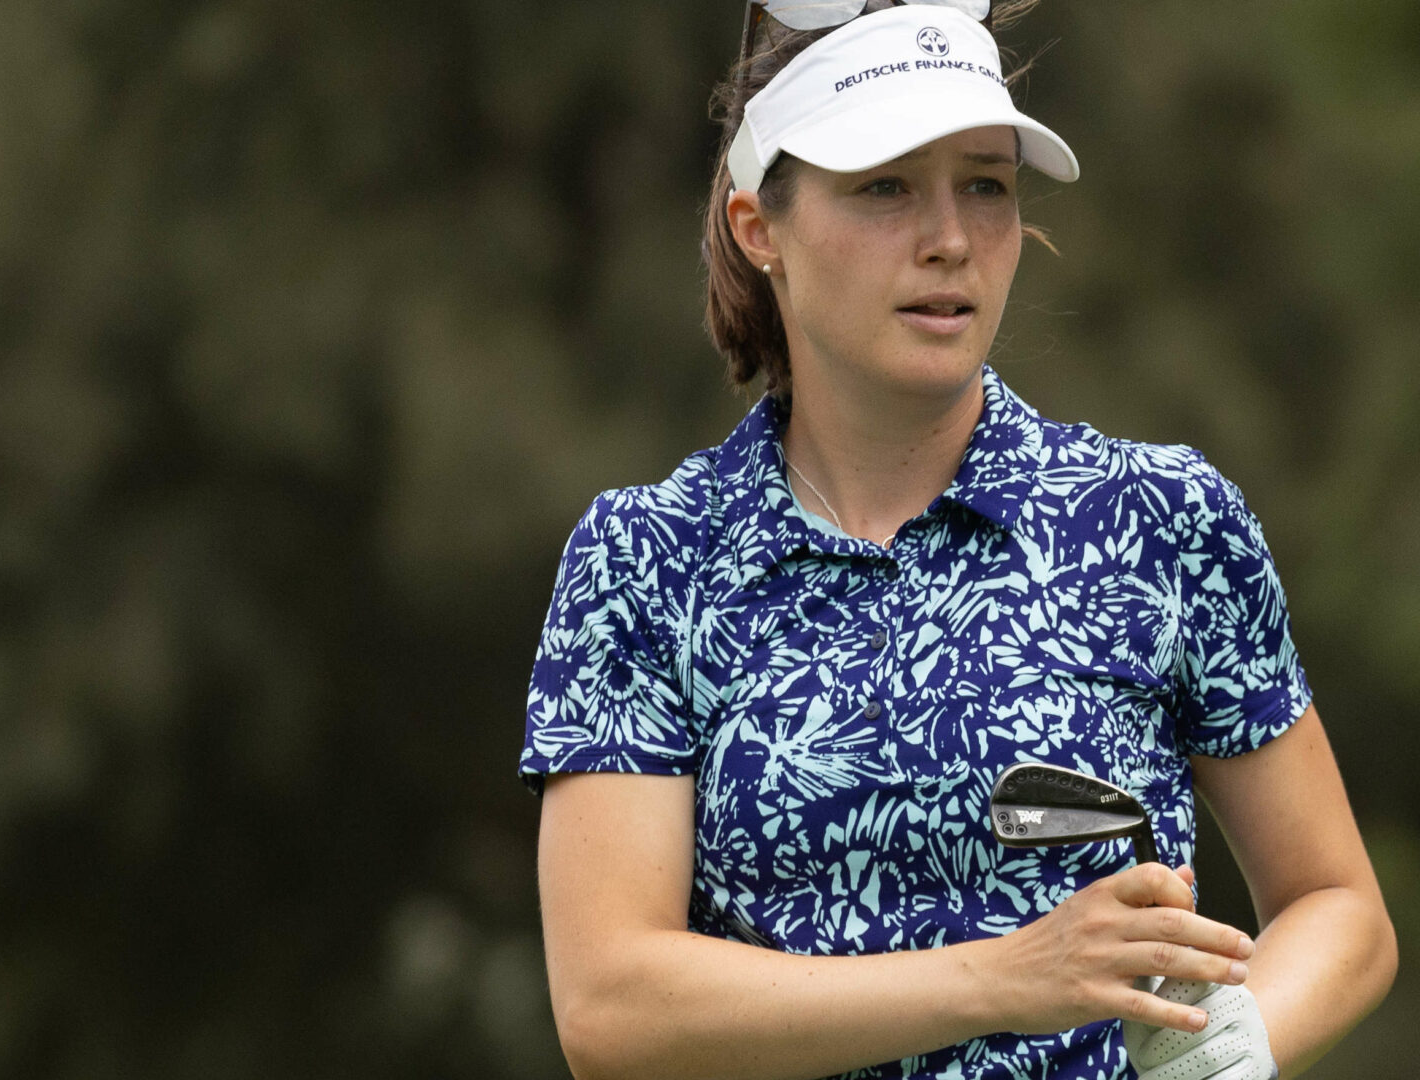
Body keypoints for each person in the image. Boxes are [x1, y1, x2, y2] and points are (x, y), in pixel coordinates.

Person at [516, 2, 1398, 1078]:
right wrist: (1005, 977)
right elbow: (612, 1009)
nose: (948, 238)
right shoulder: (646, 561)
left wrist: (1231, 1054)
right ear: (760, 228)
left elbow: (1338, 905)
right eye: (885, 184)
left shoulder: (1162, 520)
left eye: (985, 183)